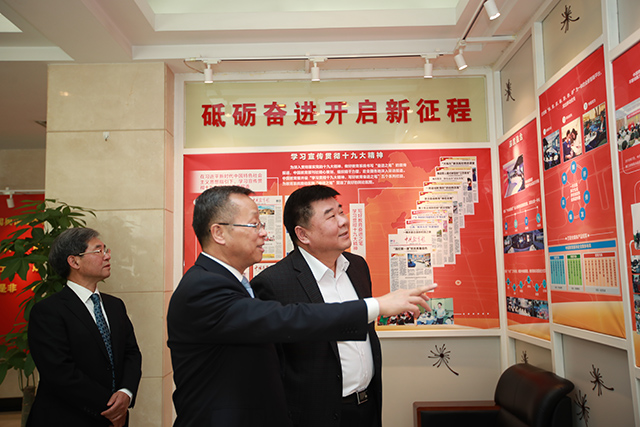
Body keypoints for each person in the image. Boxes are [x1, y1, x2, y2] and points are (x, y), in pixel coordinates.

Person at [167, 185, 435, 427]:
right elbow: (287, 319)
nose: (264, 233)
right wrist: (375, 306)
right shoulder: (203, 287)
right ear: (219, 233)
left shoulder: (228, 282)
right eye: (254, 225)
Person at [250, 185, 407, 427]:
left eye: (341, 212)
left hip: (367, 407)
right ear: (303, 235)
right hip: (314, 416)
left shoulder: (357, 267)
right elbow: (269, 370)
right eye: (331, 216)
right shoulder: (273, 283)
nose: (343, 221)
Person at [27, 228, 142, 427]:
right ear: (74, 262)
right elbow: (60, 373)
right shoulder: (47, 311)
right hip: (68, 419)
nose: (107, 256)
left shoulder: (115, 306)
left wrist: (126, 393)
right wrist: (110, 408)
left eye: (106, 250)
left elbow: (131, 353)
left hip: (115, 418)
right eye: (98, 251)